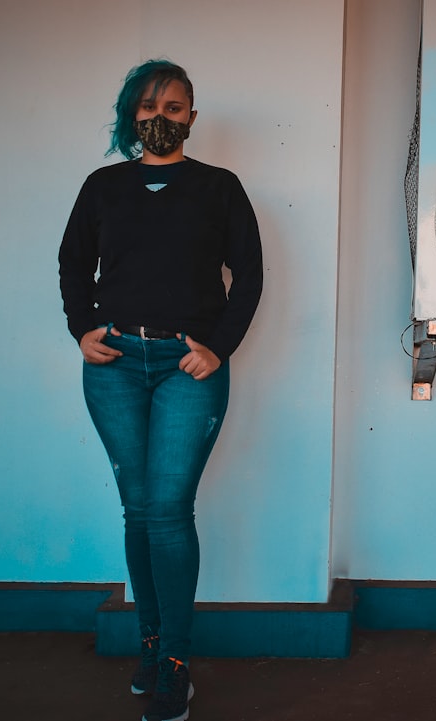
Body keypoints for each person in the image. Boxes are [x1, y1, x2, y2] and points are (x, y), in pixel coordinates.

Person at [58, 59, 263, 721]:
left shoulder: (219, 188)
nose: (161, 118)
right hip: (113, 361)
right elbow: (72, 263)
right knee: (139, 509)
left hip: (186, 366)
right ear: (131, 114)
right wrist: (81, 329)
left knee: (169, 509)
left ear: (192, 119)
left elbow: (250, 276)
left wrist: (218, 346)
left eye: (174, 108)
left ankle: (175, 661)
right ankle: (150, 646)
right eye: (149, 107)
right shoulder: (102, 187)